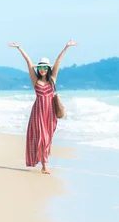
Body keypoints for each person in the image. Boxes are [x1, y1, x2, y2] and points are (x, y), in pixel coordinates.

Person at [8, 40, 78, 174]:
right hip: (38, 113)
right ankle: (45, 166)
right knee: (41, 137)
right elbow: (29, 63)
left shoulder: (52, 79)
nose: (42, 69)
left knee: (47, 139)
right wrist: (19, 48)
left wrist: (66, 47)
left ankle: (44, 161)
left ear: (48, 69)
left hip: (50, 113)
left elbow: (58, 62)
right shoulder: (35, 80)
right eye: (41, 67)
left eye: (45, 67)